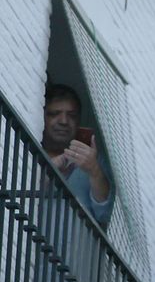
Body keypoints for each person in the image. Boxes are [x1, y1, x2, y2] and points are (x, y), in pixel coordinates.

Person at [41, 84, 112, 226]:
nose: (63, 121)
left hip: (76, 248)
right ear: (41, 116)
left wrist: (94, 171)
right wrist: (46, 174)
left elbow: (107, 215)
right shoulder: (26, 154)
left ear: (79, 120)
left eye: (71, 115)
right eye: (54, 114)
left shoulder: (94, 161)